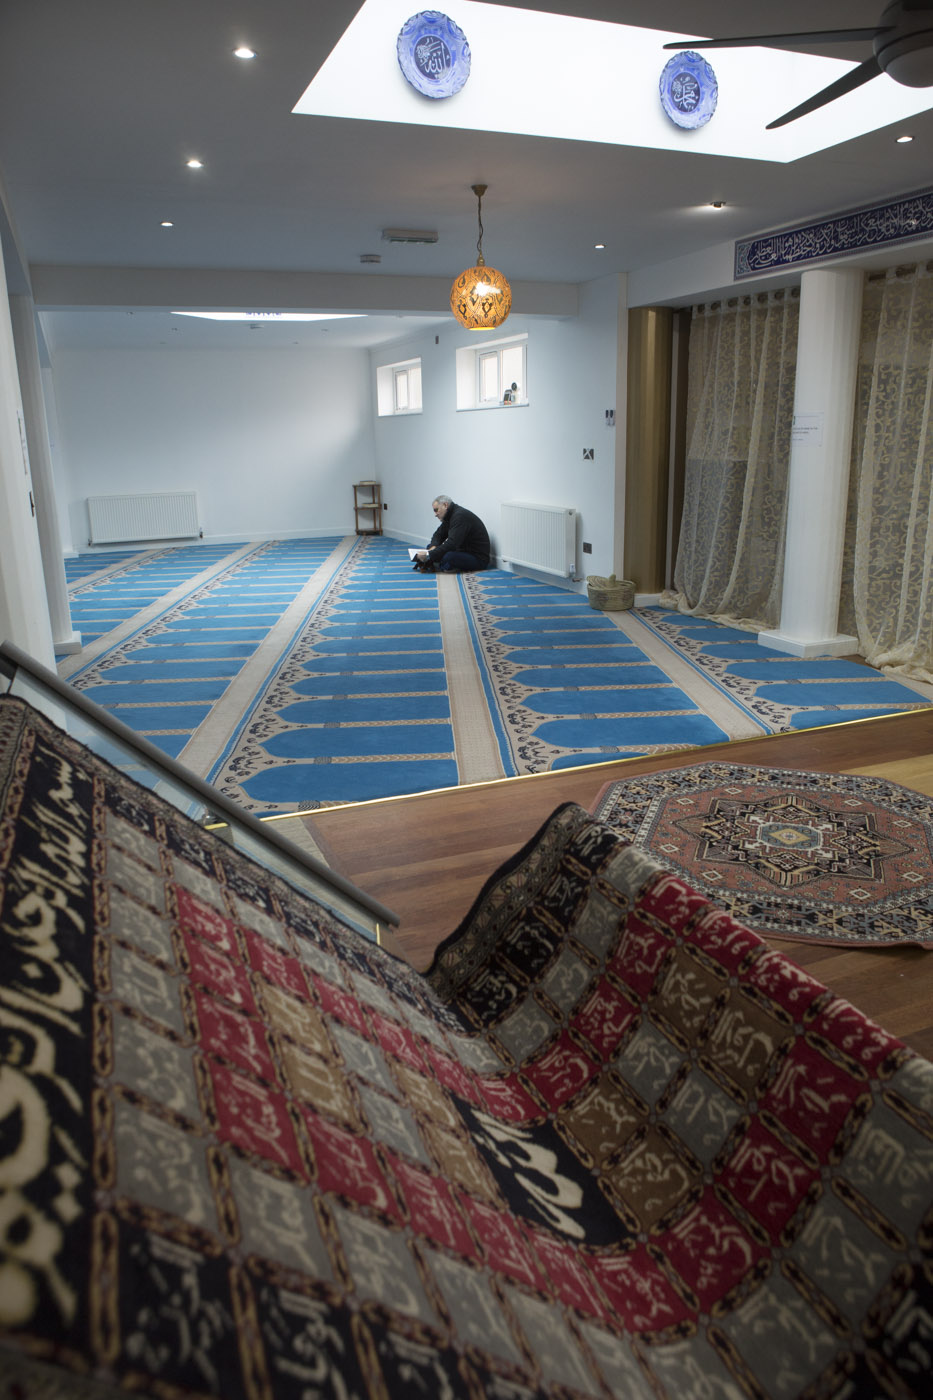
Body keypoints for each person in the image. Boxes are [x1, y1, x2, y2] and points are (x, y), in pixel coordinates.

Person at [413, 495, 490, 573]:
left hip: (478, 558)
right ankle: (435, 562)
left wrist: (429, 554)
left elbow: (452, 544)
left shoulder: (460, 516)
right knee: (430, 547)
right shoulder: (450, 516)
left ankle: (435, 564)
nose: (435, 514)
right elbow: (438, 535)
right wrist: (433, 547)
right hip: (462, 551)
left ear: (445, 505)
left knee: (449, 557)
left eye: (436, 510)